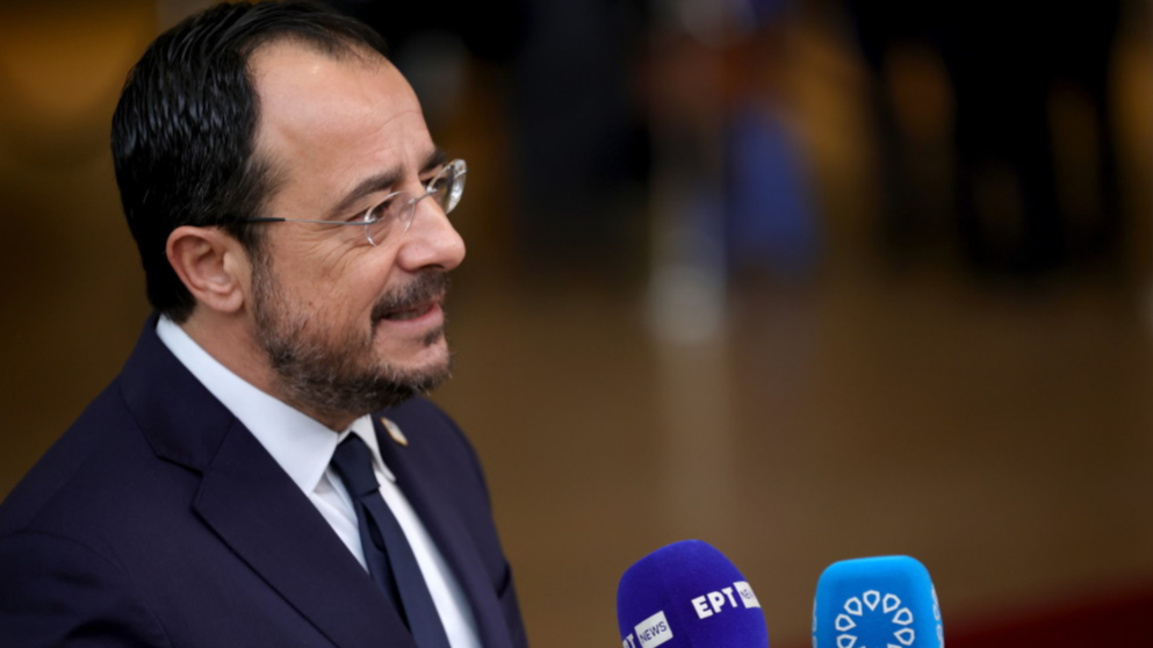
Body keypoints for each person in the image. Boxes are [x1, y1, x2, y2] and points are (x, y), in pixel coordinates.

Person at [0, 3, 528, 647]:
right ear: (212, 267)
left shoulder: (431, 445)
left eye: (431, 181)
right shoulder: (76, 573)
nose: (447, 244)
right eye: (373, 211)